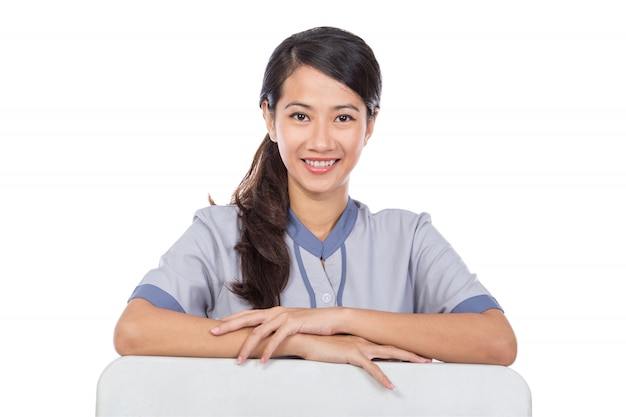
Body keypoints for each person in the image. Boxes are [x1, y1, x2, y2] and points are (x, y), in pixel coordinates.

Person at [113, 26, 517, 390]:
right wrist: (297, 341)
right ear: (270, 119)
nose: (321, 141)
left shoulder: (409, 237)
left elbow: (496, 342)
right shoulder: (218, 233)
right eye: (300, 116)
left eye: (343, 117)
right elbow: (134, 330)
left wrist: (338, 320)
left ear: (370, 125)